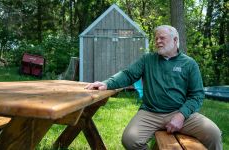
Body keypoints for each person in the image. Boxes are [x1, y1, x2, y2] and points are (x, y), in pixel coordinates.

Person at [85, 25, 222, 150]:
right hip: (150, 112)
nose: (157, 41)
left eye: (162, 38)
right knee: (129, 140)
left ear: (175, 40)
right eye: (156, 38)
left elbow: (197, 95)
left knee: (213, 133)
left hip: (179, 112)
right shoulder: (147, 60)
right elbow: (128, 74)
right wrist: (107, 83)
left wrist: (181, 116)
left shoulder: (189, 64)